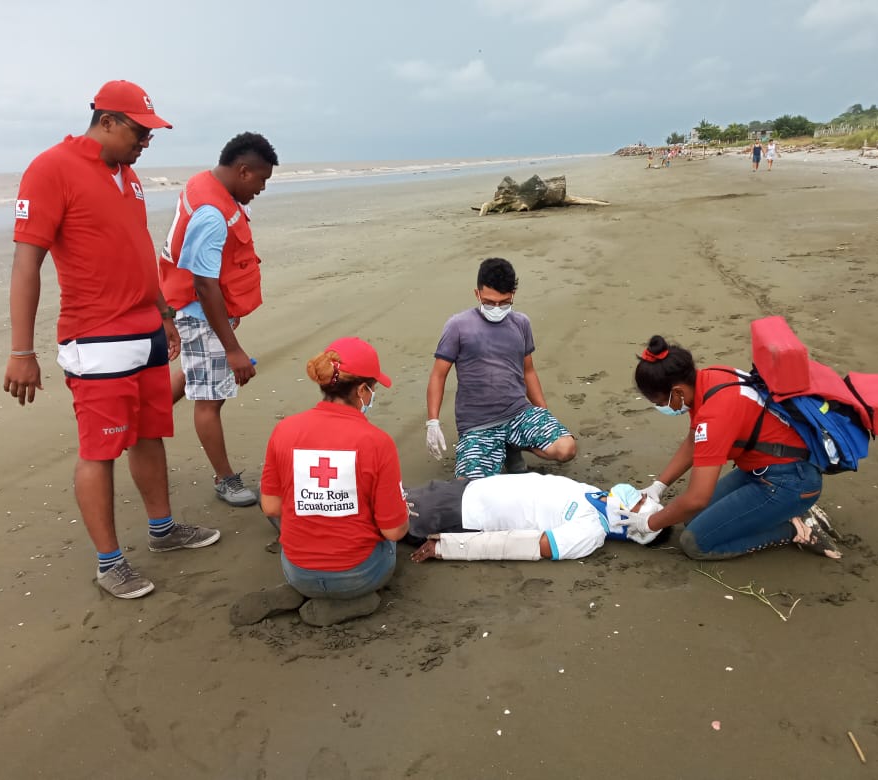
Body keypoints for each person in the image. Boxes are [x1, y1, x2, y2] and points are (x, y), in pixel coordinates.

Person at [4, 80, 220, 600]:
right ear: (106, 121)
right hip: (96, 338)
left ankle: (163, 530)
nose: (147, 141)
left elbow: (137, 250)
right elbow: (26, 260)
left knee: (149, 434)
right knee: (98, 451)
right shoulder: (51, 168)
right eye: (140, 131)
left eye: (151, 134)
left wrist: (165, 315)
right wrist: (21, 351)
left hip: (145, 328)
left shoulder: (128, 176)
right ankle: (109, 563)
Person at [237, 337, 409, 628]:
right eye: (373, 388)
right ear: (361, 390)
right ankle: (356, 600)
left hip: (297, 570)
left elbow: (270, 506)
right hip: (359, 574)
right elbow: (393, 531)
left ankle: (300, 589)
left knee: (287, 510)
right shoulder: (377, 443)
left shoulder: (284, 430)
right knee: (392, 540)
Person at [623, 335, 840, 560]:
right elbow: (694, 438)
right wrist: (659, 485)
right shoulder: (710, 377)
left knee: (695, 542)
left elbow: (697, 497)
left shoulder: (715, 417)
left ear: (677, 392)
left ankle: (796, 529)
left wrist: (649, 523)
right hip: (765, 468)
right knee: (691, 518)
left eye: (660, 403)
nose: (662, 407)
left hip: (789, 482)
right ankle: (784, 511)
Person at [159, 132, 279, 507]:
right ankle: (224, 478)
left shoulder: (205, 183)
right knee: (210, 399)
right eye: (261, 180)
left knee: (197, 374)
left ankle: (142, 421)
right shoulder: (212, 214)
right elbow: (204, 285)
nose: (261, 188)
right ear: (243, 171)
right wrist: (233, 349)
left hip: (200, 311)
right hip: (199, 313)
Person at [426, 257, 576, 479]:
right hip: (477, 424)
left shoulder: (521, 323)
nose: (496, 308)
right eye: (489, 302)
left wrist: (543, 413)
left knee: (566, 448)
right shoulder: (457, 326)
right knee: (470, 485)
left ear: (513, 295)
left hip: (518, 412)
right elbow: (439, 376)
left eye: (504, 302)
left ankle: (512, 445)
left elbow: (528, 372)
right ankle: (504, 450)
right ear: (477, 294)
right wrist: (433, 422)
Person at [404, 473, 668, 563]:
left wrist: (447, 548)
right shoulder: (596, 495)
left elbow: (517, 545)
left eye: (641, 502)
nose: (640, 494)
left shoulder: (588, 534)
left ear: (633, 527)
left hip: (463, 514)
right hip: (467, 489)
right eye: (645, 497)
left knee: (383, 517)